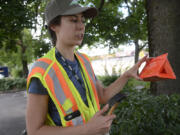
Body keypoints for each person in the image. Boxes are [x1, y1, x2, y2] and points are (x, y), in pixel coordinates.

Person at [26, 0, 148, 135]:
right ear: (54, 25)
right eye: (73, 20)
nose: (81, 26)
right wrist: (87, 129)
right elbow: (34, 131)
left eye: (83, 21)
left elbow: (102, 95)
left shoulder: (84, 60)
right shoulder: (42, 71)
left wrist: (127, 75)